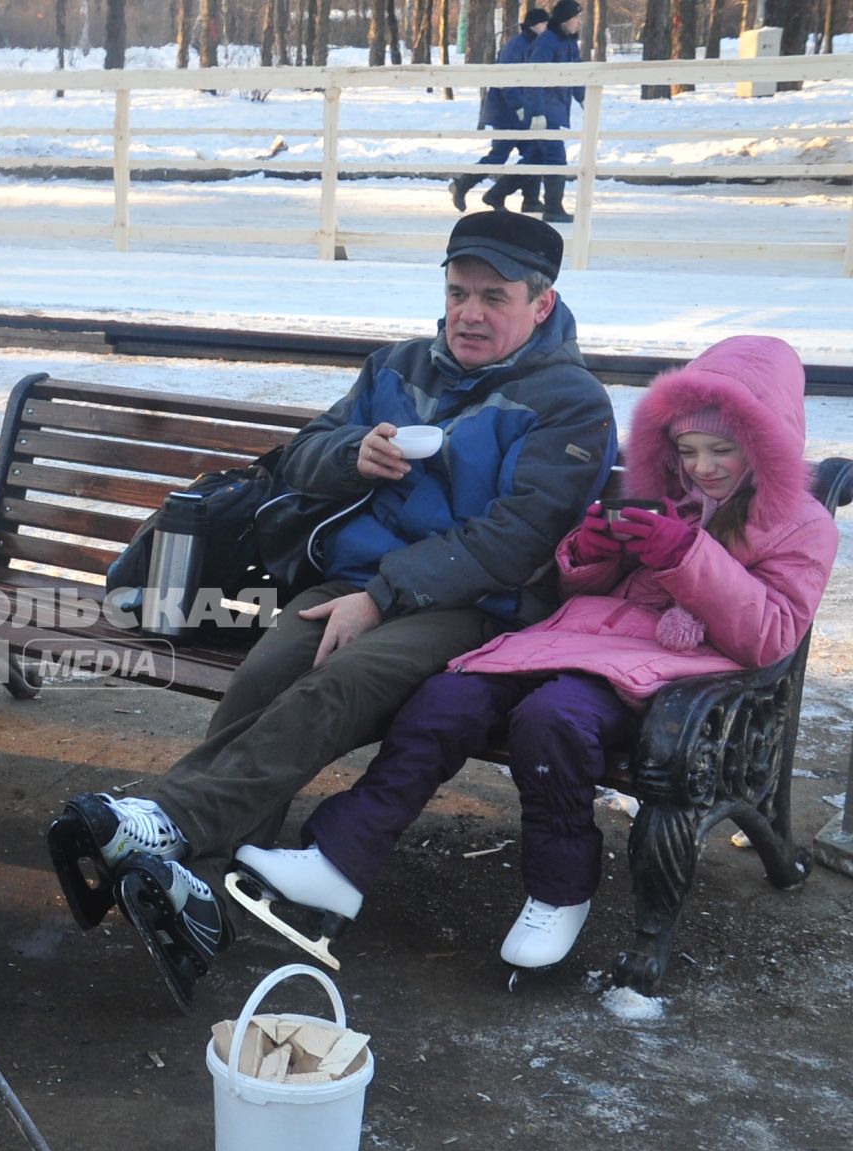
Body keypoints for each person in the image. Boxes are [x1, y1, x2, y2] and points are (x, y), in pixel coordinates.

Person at [46, 211, 616, 1012]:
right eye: (458, 292)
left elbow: (519, 537)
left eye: (495, 296)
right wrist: (353, 456)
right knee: (264, 676)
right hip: (352, 583)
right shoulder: (397, 367)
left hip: (476, 606)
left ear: (542, 305)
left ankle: (167, 819)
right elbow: (302, 453)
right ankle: (192, 880)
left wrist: (383, 597)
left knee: (336, 683)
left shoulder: (571, 404)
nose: (470, 313)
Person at [231, 336, 836, 972]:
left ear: (764, 443)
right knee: (446, 699)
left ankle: (559, 889)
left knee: (552, 722)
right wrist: (594, 548)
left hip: (672, 673)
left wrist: (684, 556)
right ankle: (340, 859)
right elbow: (579, 586)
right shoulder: (665, 491)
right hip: (573, 638)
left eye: (721, 450)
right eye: (686, 450)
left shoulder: (799, 524)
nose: (701, 467)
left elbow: (771, 636)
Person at [450, 8, 548, 215]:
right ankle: (462, 185)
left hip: (522, 112)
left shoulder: (534, 45)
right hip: (506, 112)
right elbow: (506, 80)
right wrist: (519, 106)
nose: (547, 28)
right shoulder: (516, 46)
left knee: (535, 153)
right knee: (499, 156)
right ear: (535, 25)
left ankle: (530, 199)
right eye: (544, 24)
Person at [520, 0, 585, 224]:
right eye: (576, 18)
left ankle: (496, 194)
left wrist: (583, 97)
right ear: (565, 19)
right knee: (556, 156)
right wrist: (537, 113)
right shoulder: (547, 42)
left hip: (555, 108)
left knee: (535, 157)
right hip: (544, 109)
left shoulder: (569, 42)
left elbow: (575, 73)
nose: (579, 22)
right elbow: (535, 77)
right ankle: (553, 208)